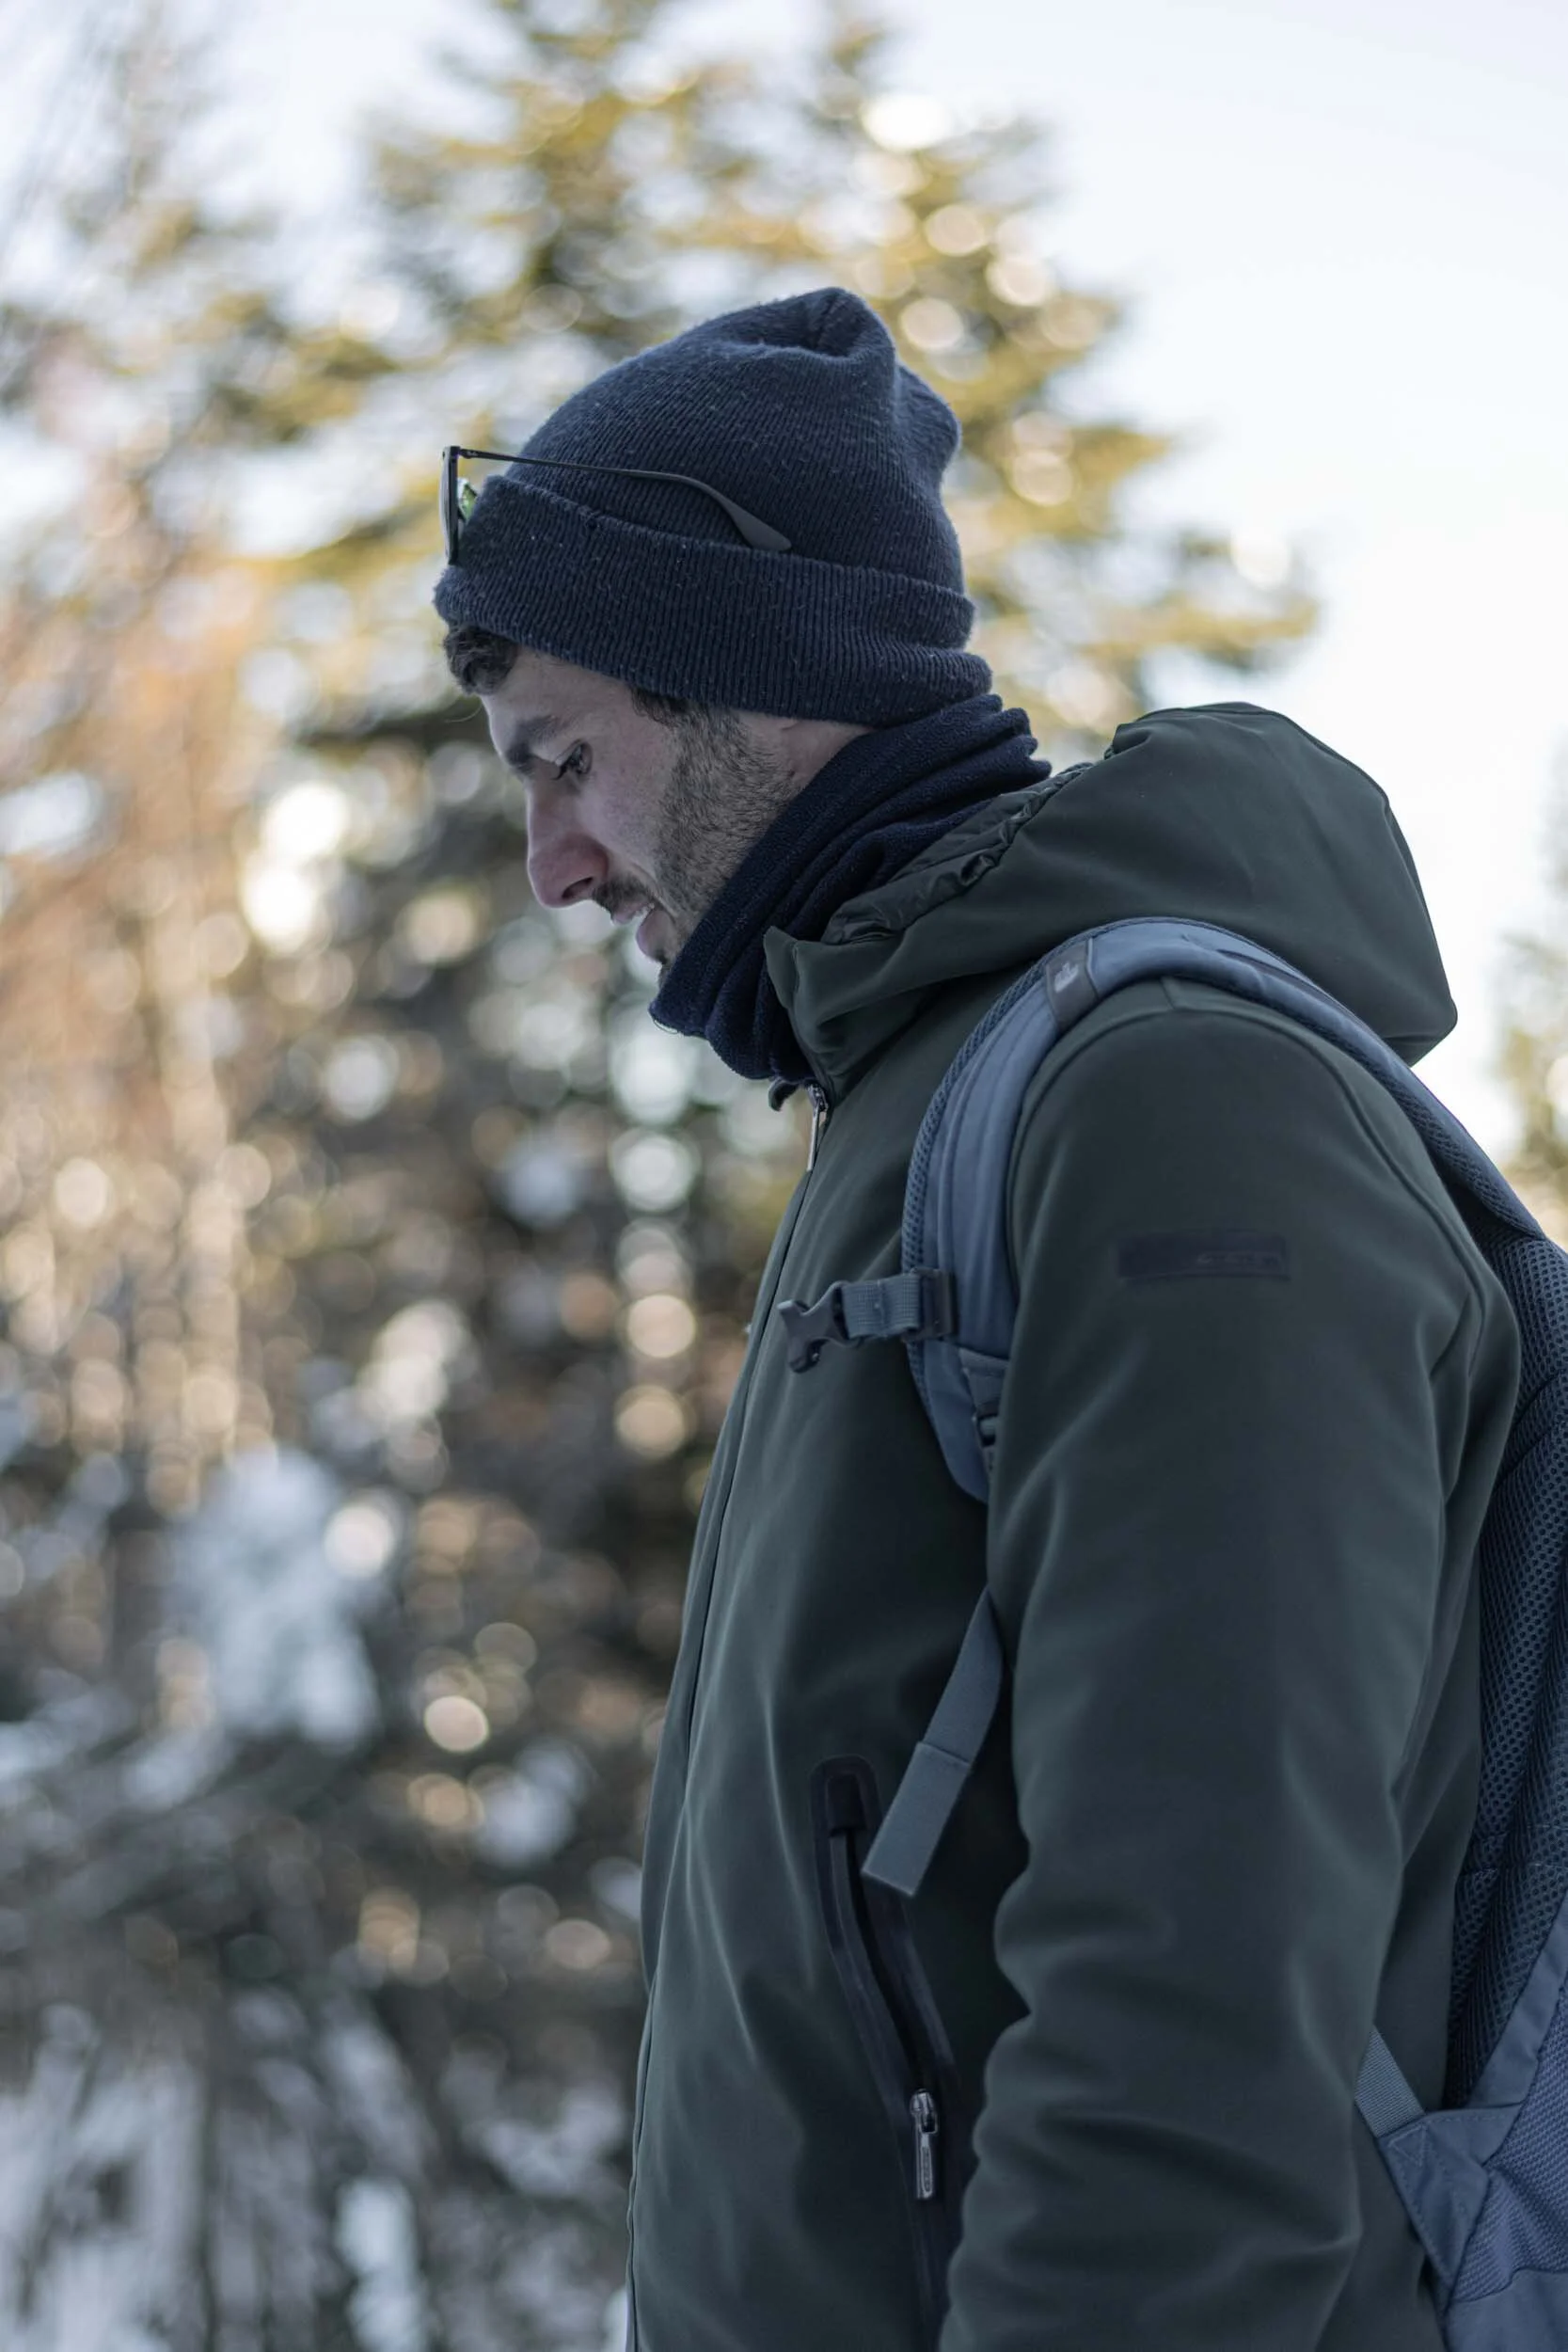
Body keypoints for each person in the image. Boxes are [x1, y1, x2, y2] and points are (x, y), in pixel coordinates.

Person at [432, 287, 1520, 2352]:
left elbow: (1193, 1996)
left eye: (565, 760)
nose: (551, 865)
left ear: (763, 676)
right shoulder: (913, 1105)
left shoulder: (1166, 1101)